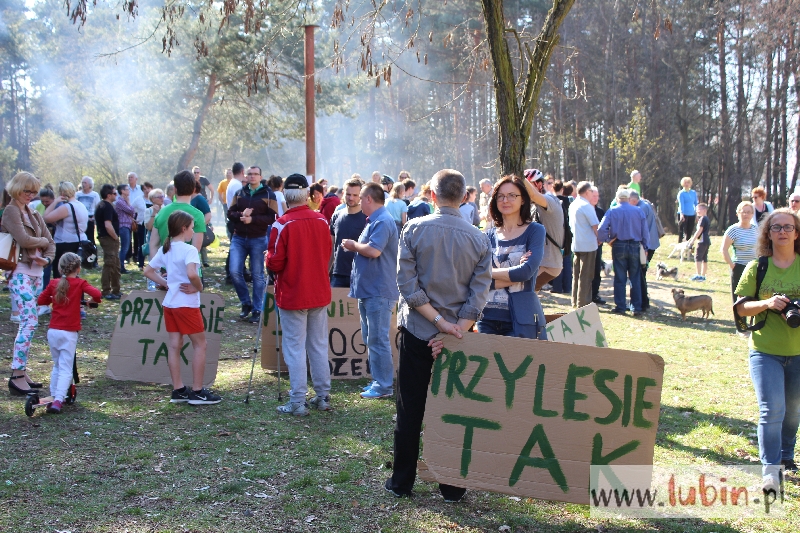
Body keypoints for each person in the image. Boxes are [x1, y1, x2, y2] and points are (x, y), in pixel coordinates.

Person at [386, 169, 491, 502]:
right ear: (464, 197)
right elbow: (479, 294)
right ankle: (452, 486)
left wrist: (439, 323)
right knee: (453, 410)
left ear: (432, 194)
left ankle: (402, 481)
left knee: (410, 409)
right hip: (457, 338)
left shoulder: (415, 228)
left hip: (420, 332)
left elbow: (406, 284)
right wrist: (455, 328)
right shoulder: (479, 238)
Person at [734, 208, 800, 493]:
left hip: (798, 351)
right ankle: (771, 471)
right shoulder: (757, 267)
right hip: (765, 350)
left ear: (796, 233)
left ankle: (786, 455)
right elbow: (740, 308)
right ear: (768, 234)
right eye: (776, 227)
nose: (782, 231)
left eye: (788, 227)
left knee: (793, 411)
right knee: (771, 409)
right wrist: (767, 303)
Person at [266, 174, 333, 416]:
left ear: (286, 195)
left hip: (293, 292)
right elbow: (328, 253)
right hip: (318, 291)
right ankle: (322, 395)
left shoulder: (282, 224)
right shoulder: (321, 220)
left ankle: (297, 400)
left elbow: (275, 262)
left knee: (294, 347)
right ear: (306, 195)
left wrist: (267, 259)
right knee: (318, 344)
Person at [144, 210, 221, 406]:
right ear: (184, 228)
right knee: (200, 345)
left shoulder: (166, 249)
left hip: (170, 303)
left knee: (174, 345)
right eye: (192, 228)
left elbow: (148, 271)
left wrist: (166, 283)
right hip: (186, 305)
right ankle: (197, 391)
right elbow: (192, 274)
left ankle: (178, 389)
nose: (193, 231)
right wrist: (198, 287)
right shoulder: (190, 250)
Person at [341, 182, 399, 399]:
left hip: (379, 291)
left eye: (360, 197)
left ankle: (383, 386)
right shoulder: (375, 220)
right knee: (371, 337)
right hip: (370, 290)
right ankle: (379, 381)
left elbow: (374, 251)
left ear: (368, 199)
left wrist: (353, 245)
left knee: (377, 338)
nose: (357, 202)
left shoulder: (383, 221)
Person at [3, 171, 56, 396]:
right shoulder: (11, 211)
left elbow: (51, 244)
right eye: (27, 191)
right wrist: (42, 242)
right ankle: (16, 374)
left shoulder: (33, 212)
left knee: (28, 323)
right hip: (19, 272)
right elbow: (25, 240)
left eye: (33, 191)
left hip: (36, 273)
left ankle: (21, 371)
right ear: (17, 188)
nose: (31, 195)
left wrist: (47, 259)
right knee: (30, 321)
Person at [475, 174, 546, 338]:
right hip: (486, 317)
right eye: (500, 196)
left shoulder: (535, 231)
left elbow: (525, 272)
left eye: (512, 195)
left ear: (523, 199)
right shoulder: (487, 236)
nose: (505, 200)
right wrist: (515, 272)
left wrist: (486, 272)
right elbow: (476, 279)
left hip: (521, 318)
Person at [36, 253, 102, 413]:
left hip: (53, 331)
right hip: (69, 332)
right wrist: (91, 302)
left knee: (57, 365)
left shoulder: (54, 283)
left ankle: (53, 395)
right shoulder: (80, 283)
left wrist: (54, 298)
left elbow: (41, 300)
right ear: (78, 268)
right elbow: (97, 294)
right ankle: (59, 399)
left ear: (60, 268)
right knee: (66, 367)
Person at [227, 166, 278, 323]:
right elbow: (230, 213)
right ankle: (246, 303)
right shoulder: (240, 193)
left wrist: (253, 219)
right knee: (234, 271)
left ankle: (257, 309)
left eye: (255, 174)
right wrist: (241, 215)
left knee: (257, 275)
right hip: (239, 237)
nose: (252, 176)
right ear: (246, 176)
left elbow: (273, 217)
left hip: (258, 238)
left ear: (260, 177)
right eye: (250, 174)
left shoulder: (269, 194)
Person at [597, 188, 649, 316]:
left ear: (617, 199)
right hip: (635, 245)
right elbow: (645, 231)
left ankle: (620, 306)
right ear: (629, 198)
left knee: (620, 277)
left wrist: (608, 240)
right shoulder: (638, 211)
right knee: (635, 277)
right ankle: (636, 307)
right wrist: (645, 246)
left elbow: (601, 229)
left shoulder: (612, 211)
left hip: (619, 244)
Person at [149, 171, 206, 271]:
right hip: (188, 271)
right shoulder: (198, 215)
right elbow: (195, 249)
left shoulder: (162, 212)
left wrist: (157, 270)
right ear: (194, 189)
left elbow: (153, 245)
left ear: (175, 189)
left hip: (165, 270)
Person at [523, 168, 564, 290]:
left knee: (524, 291)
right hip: (540, 262)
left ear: (539, 185)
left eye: (526, 187)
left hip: (548, 264)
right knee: (528, 294)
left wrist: (519, 175)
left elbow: (533, 194)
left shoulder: (550, 200)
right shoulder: (534, 206)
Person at [43, 181, 88, 279]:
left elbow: (46, 217)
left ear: (62, 193)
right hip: (79, 240)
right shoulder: (81, 205)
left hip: (65, 243)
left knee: (61, 273)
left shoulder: (67, 207)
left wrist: (55, 201)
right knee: (73, 272)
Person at [330, 178, 367, 288]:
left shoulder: (368, 218)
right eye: (348, 194)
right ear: (343, 194)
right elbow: (331, 247)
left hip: (361, 274)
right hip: (338, 274)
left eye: (355, 195)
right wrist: (326, 271)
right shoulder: (336, 216)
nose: (351, 198)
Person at [569, 181, 599, 309]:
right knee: (586, 276)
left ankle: (575, 301)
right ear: (587, 192)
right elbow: (595, 226)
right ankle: (583, 304)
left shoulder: (573, 204)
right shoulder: (587, 206)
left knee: (576, 275)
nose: (592, 194)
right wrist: (600, 238)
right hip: (588, 245)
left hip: (577, 243)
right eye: (591, 191)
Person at [721, 201, 758, 302]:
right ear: (738, 214)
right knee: (739, 298)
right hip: (739, 267)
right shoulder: (733, 230)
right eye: (743, 212)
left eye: (748, 212)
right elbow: (724, 249)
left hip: (754, 267)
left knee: (754, 296)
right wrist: (732, 265)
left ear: (752, 214)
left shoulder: (756, 229)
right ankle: (738, 313)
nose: (746, 214)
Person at [630, 191, 660, 310]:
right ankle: (644, 301)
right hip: (649, 244)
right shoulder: (644, 204)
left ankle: (643, 302)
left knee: (639, 274)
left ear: (633, 200)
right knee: (641, 273)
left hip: (646, 246)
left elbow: (640, 229)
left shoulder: (641, 208)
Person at [95, 184, 122, 300]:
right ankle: (106, 291)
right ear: (108, 195)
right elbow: (108, 225)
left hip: (108, 238)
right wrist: (115, 237)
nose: (116, 195)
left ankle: (116, 290)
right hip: (108, 238)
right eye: (114, 193)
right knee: (109, 264)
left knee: (115, 264)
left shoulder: (102, 205)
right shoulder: (106, 206)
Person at [549, 181, 574, 294]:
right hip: (567, 233)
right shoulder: (569, 201)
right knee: (567, 260)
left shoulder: (551, 201)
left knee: (557, 260)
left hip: (555, 234)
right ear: (562, 189)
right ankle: (567, 287)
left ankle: (557, 287)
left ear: (553, 189)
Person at [76, 176, 101, 267]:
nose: (83, 184)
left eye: (85, 183)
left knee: (91, 241)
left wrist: (93, 218)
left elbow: (98, 207)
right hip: (79, 219)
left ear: (90, 185)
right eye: (82, 182)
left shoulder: (95, 195)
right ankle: (80, 260)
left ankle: (93, 261)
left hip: (90, 219)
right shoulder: (77, 194)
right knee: (79, 240)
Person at [590, 187, 606, 305]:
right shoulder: (585, 209)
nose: (596, 198)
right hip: (586, 245)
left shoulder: (600, 211)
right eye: (593, 196)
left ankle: (595, 294)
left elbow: (605, 228)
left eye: (597, 196)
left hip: (598, 245)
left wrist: (601, 239)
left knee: (596, 270)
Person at [114, 183, 136, 274]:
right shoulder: (120, 202)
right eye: (127, 189)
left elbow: (133, 213)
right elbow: (131, 210)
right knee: (124, 247)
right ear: (122, 191)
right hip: (123, 226)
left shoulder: (125, 201)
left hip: (128, 226)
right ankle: (120, 267)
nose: (128, 191)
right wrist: (129, 203)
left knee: (126, 247)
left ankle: (121, 266)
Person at [191, 180, 213, 268]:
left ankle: (203, 263)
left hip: (197, 229)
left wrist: (199, 226)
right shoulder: (188, 198)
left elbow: (208, 215)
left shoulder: (199, 198)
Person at [689, 203, 711, 281]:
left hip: (702, 241)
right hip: (707, 240)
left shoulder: (702, 219)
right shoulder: (707, 218)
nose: (697, 211)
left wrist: (692, 241)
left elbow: (699, 230)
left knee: (698, 257)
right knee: (704, 258)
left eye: (699, 209)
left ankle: (698, 275)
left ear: (704, 210)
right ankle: (703, 276)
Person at [677, 176, 698, 243]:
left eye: (688, 182)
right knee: (682, 231)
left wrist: (697, 214)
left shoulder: (693, 192)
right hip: (683, 214)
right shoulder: (681, 193)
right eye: (685, 182)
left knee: (689, 231)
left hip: (692, 214)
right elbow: (681, 204)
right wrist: (682, 214)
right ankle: (680, 244)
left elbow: (696, 203)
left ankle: (688, 245)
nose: (687, 184)